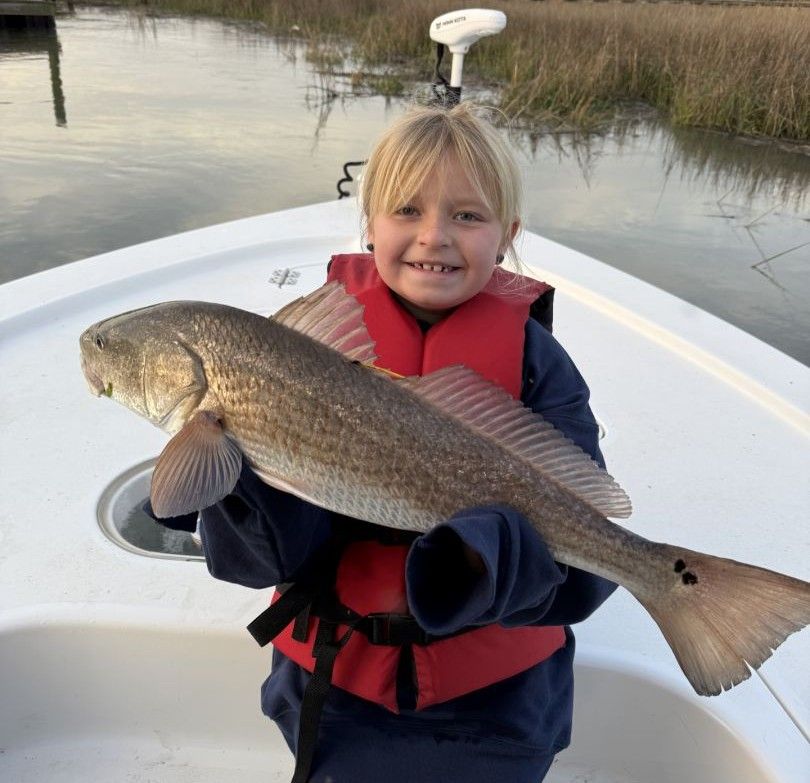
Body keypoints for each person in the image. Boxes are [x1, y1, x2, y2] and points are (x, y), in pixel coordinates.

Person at [150, 102, 617, 783]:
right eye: (405, 211)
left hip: (498, 704)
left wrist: (487, 553)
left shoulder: (538, 363)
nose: (434, 236)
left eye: (468, 215)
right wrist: (244, 478)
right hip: (338, 686)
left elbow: (585, 558)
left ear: (507, 234)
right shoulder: (292, 355)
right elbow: (258, 559)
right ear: (368, 226)